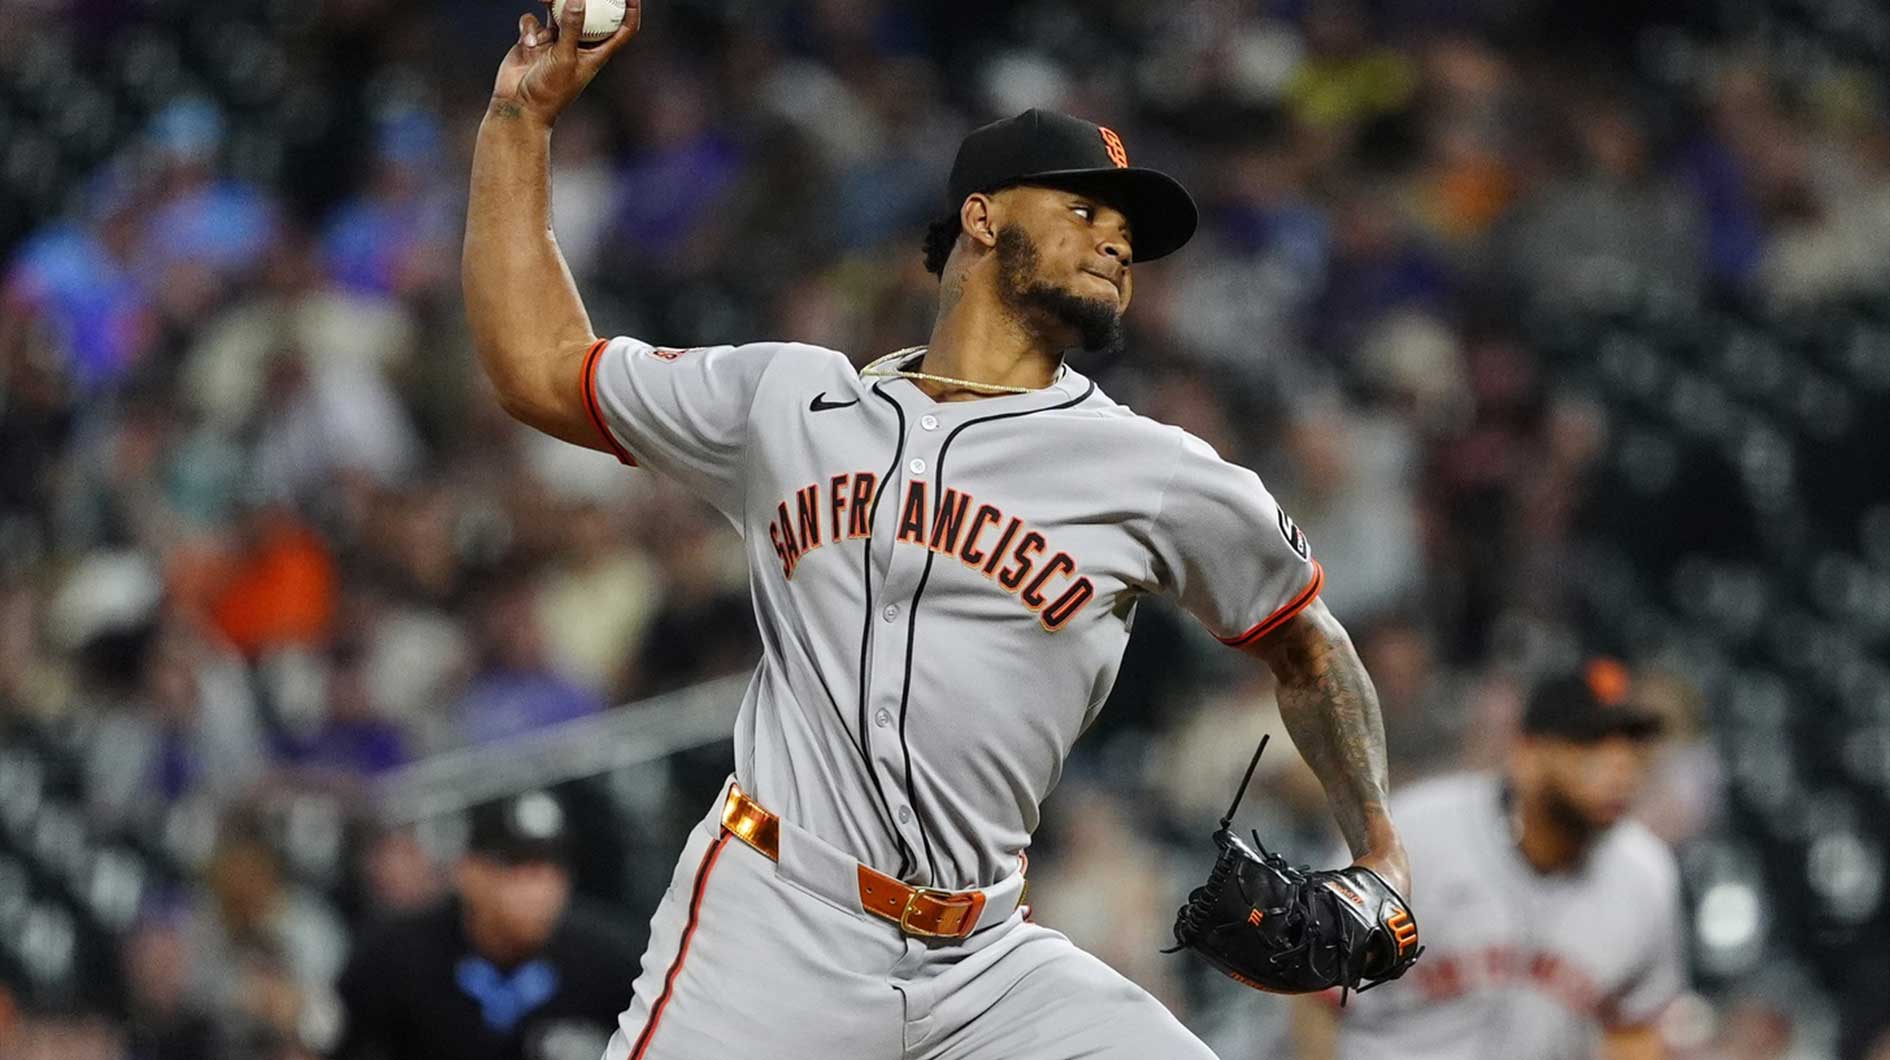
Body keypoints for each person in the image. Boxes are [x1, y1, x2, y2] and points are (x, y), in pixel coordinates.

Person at [462, 3, 1413, 1056]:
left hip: (988, 957)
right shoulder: (789, 402)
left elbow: (1307, 641)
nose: (1117, 239)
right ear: (982, 216)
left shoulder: (1153, 472)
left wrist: (1383, 856)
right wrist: (520, 120)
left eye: (1130, 232)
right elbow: (540, 369)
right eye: (1086, 207)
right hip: (775, 920)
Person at [1295, 659, 1685, 1060]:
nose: (1621, 766)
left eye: (1632, 744)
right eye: (1591, 742)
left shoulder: (1646, 877)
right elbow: (1314, 991)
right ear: (1526, 754)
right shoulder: (1415, 836)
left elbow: (1634, 1029)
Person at [331, 791, 644, 1060]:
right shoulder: (396, 958)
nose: (538, 890)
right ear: (467, 872)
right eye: (514, 867)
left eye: (550, 869)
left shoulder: (605, 958)